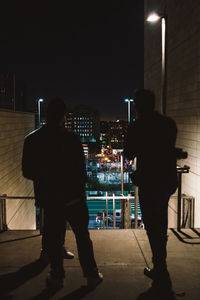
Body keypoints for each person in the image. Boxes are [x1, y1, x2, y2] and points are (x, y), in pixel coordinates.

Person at [22, 98, 103, 288]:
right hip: (73, 197)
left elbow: (27, 171)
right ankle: (91, 274)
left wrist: (46, 179)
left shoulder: (32, 140)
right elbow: (81, 173)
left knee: (53, 239)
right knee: (82, 237)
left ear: (46, 115)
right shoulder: (73, 139)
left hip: (50, 199)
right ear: (63, 117)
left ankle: (57, 276)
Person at [124, 89, 178, 298]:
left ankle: (160, 269)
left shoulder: (137, 126)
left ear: (138, 106)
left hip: (149, 182)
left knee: (152, 225)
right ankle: (160, 267)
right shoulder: (168, 123)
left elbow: (129, 153)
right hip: (166, 181)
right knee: (161, 223)